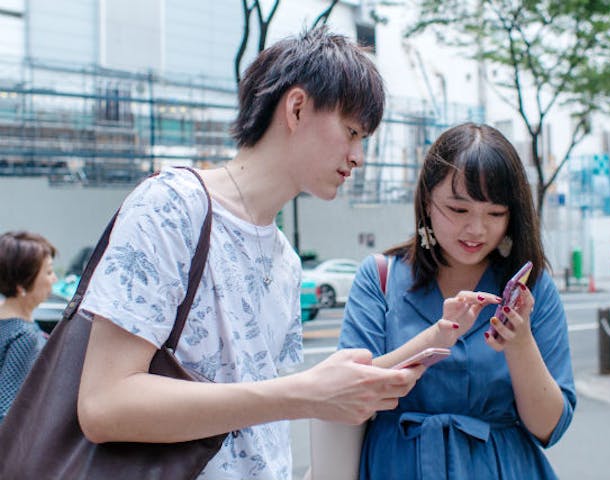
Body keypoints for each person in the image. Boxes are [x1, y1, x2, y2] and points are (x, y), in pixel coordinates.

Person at [76, 28, 423, 480]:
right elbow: (104, 405)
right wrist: (303, 394)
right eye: (352, 131)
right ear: (296, 108)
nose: (358, 157)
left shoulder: (286, 262)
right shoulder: (172, 205)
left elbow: (263, 428)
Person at [339, 123, 576, 479]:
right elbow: (349, 391)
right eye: (459, 209)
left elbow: (549, 429)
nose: (477, 230)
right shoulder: (380, 277)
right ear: (427, 202)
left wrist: (519, 342)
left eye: (495, 214)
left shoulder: (533, 289)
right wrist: (435, 339)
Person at [0, 231, 57, 421]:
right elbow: (7, 412)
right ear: (21, 284)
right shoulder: (24, 336)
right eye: (48, 272)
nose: (54, 279)